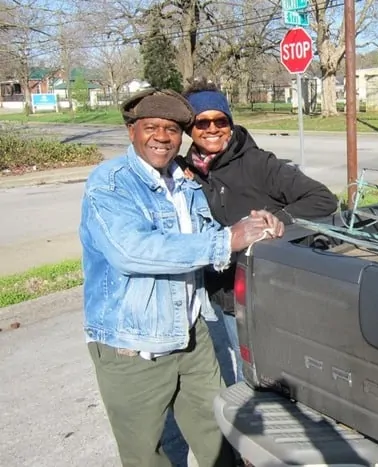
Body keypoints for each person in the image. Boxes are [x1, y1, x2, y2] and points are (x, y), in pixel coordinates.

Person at [78, 88, 284, 467]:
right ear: (131, 131)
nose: (162, 136)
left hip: (192, 335)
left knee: (218, 438)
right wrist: (227, 240)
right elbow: (132, 250)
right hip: (133, 345)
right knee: (147, 454)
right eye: (151, 127)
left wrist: (251, 225)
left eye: (172, 128)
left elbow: (208, 234)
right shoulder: (110, 184)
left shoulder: (184, 181)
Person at [177, 79, 338, 383]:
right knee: (247, 371)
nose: (212, 129)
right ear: (190, 130)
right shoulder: (185, 171)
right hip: (225, 295)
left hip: (269, 289)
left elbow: (323, 199)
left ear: (230, 122)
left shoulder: (258, 163)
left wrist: (276, 219)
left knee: (283, 369)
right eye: (202, 123)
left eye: (220, 120)